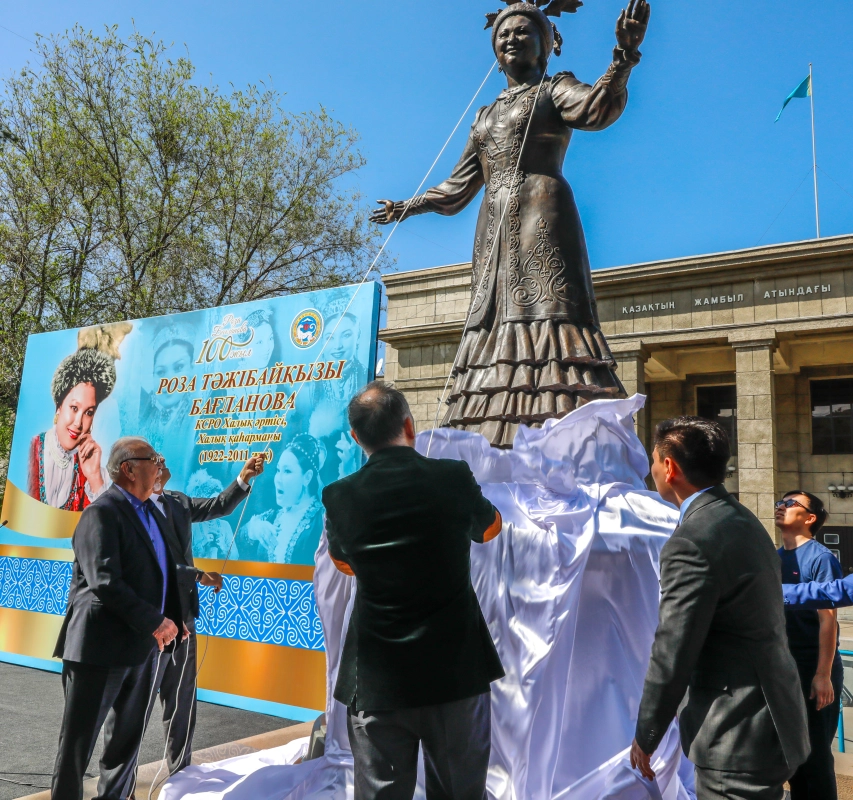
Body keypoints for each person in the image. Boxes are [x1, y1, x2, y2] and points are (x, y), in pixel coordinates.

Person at [369, 1, 651, 447]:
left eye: (523, 31)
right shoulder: (484, 116)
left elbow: (596, 109)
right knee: (495, 317)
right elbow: (458, 187)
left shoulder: (555, 88)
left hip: (543, 211)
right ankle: (492, 425)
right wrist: (408, 205)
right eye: (503, 34)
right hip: (494, 228)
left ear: (546, 45)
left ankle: (562, 424)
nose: (511, 38)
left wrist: (623, 58)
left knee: (549, 310)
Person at [322, 381, 504, 800]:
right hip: (456, 671)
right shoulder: (452, 476)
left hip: (376, 677)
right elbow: (490, 529)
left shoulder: (340, 495)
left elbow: (343, 564)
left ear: (355, 438)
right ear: (409, 425)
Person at [630, 417, 809, 800]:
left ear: (670, 467)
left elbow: (673, 648)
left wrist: (647, 732)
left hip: (736, 733)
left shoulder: (691, 541)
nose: (652, 470)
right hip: (772, 716)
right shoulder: (743, 519)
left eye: (654, 460)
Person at [51, 437, 183, 800]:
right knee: (77, 750)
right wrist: (155, 621)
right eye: (153, 459)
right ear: (128, 468)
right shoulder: (101, 512)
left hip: (142, 649)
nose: (160, 466)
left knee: (125, 748)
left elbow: (162, 572)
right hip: (99, 650)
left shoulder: (153, 512)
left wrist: (174, 616)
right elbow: (105, 581)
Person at [143, 454, 264, 776]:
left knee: (182, 698)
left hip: (183, 617)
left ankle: (180, 771)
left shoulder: (178, 501)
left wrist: (243, 478)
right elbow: (153, 564)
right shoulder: (132, 509)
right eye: (156, 458)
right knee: (135, 706)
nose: (164, 460)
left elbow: (217, 507)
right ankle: (121, 784)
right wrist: (197, 575)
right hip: (150, 622)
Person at [775, 490, 842, 799]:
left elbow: (828, 620)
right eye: (779, 502)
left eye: (790, 504)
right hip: (783, 668)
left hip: (814, 665)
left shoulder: (821, 558)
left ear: (809, 518)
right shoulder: (774, 558)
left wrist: (823, 674)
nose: (780, 507)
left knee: (815, 757)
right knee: (792, 754)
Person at [29, 346, 115, 509]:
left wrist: (94, 476)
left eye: (89, 412)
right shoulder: (31, 450)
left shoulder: (92, 470)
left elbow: (106, 524)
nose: (78, 423)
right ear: (59, 405)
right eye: (74, 408)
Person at [244, 434, 325, 564]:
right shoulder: (273, 516)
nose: (278, 479)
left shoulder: (322, 521)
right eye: (278, 470)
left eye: (287, 471)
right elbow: (234, 543)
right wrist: (254, 529)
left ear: (307, 477)